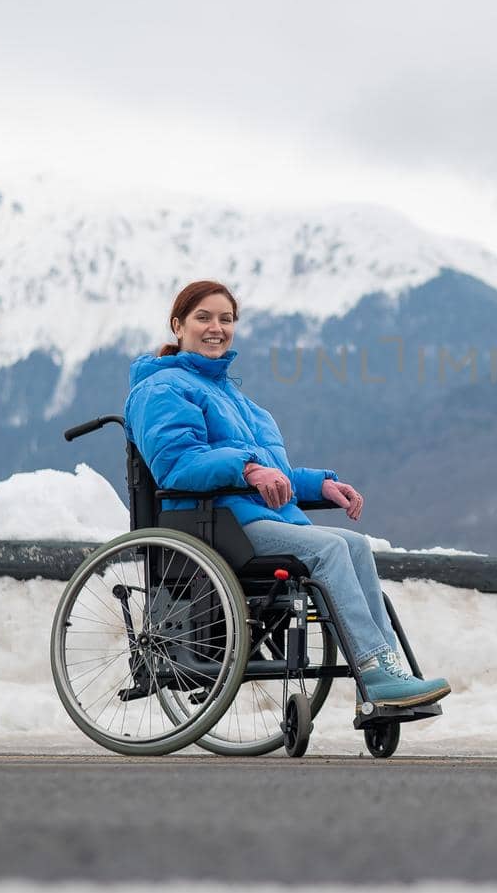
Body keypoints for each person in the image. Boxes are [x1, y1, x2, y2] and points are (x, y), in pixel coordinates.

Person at [124, 279, 451, 709]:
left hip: (253, 518)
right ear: (178, 325)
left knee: (355, 546)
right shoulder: (162, 388)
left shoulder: (238, 400)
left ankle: (385, 674)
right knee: (330, 550)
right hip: (212, 523)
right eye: (203, 317)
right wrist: (247, 467)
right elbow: (178, 466)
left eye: (226, 319)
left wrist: (320, 485)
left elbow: (273, 476)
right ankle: (373, 669)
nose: (216, 327)